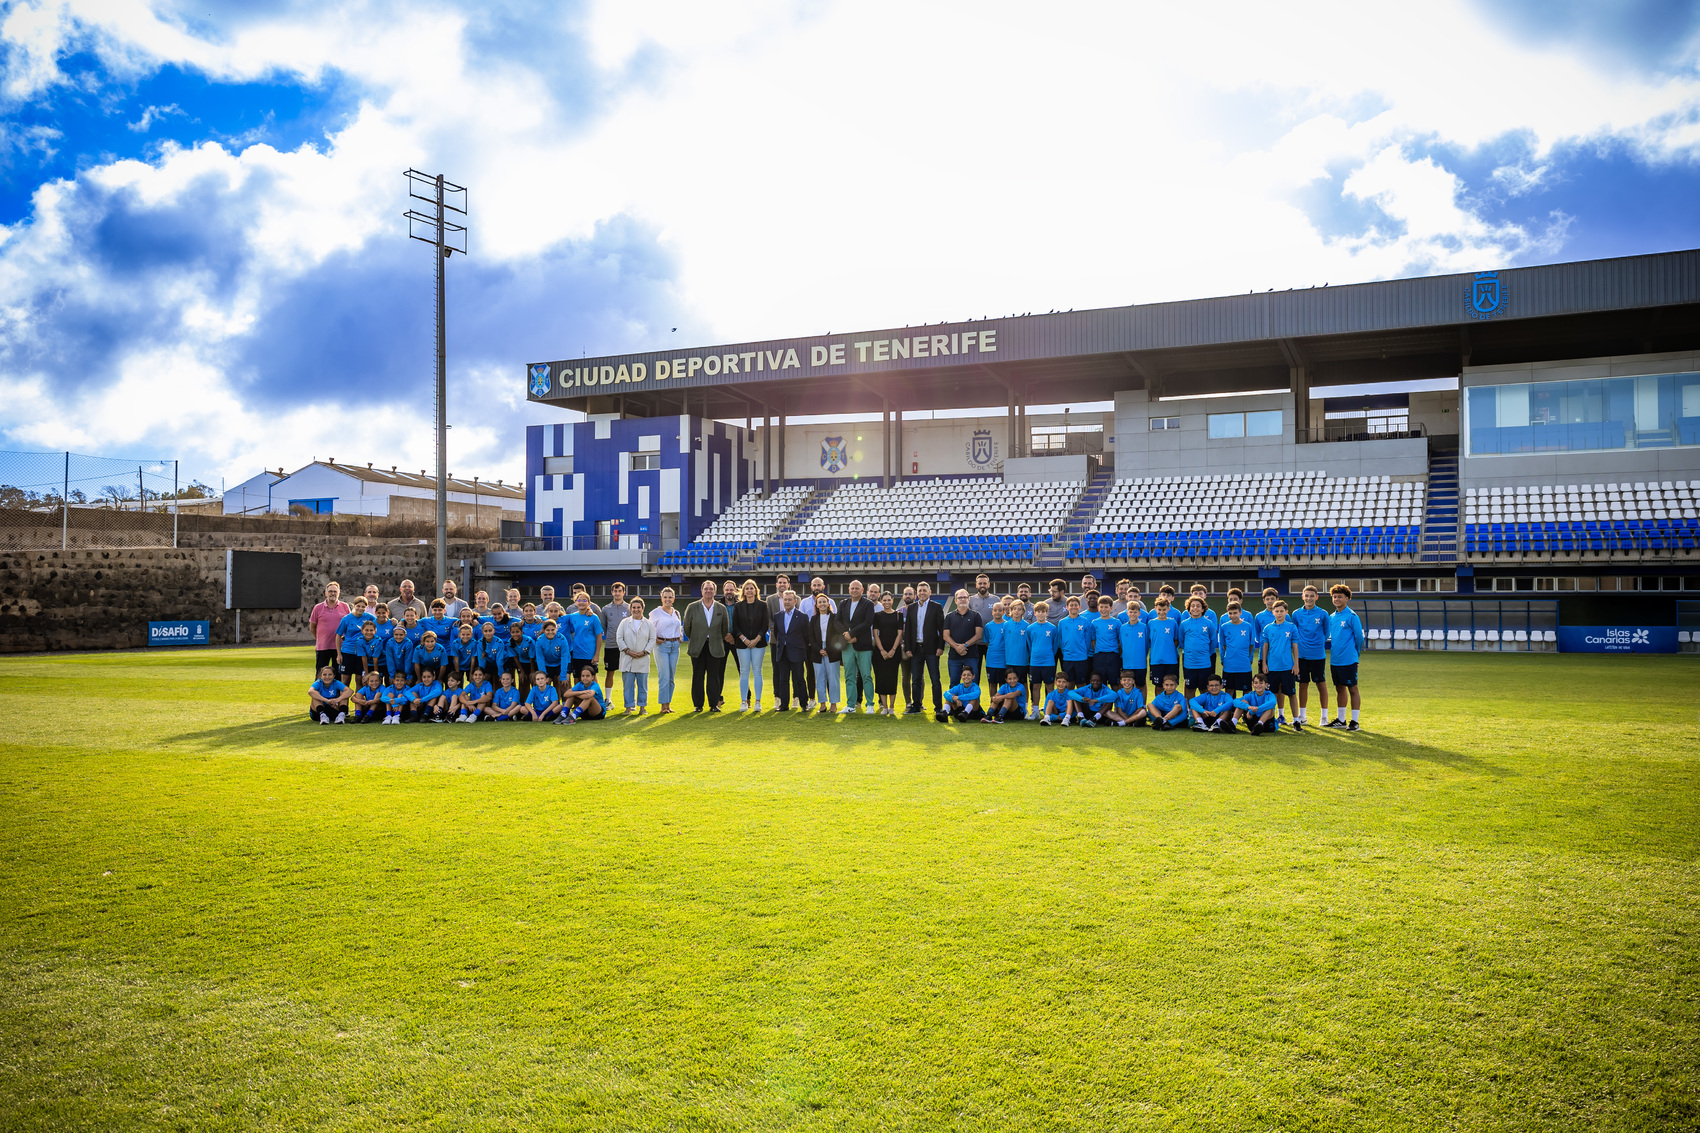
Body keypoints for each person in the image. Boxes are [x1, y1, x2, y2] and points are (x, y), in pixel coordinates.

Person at [682, 580, 730, 712]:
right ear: (701, 591)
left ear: (715, 591)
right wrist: (698, 638)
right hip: (698, 647)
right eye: (706, 589)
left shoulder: (721, 608)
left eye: (711, 589)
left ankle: (714, 705)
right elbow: (687, 627)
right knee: (697, 676)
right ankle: (698, 705)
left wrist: (714, 638)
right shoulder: (692, 607)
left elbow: (724, 628)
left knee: (714, 677)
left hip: (715, 646)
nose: (708, 591)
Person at [1291, 584, 1332, 730]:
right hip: (1301, 655)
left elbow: (1327, 633)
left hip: (1318, 655)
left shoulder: (1323, 614)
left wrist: (1317, 643)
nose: (1309, 598)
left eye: (1311, 596)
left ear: (1316, 597)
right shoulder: (1296, 614)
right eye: (1306, 595)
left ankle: (1324, 716)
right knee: (1302, 685)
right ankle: (1302, 717)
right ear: (1302, 597)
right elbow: (1294, 633)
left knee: (1321, 684)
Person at [1326, 584, 1367, 730]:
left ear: (1347, 598)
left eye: (1340, 597)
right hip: (1335, 659)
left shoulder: (1351, 616)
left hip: (1349, 659)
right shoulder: (1331, 617)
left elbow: (1359, 638)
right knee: (1339, 689)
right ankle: (1341, 720)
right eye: (1334, 597)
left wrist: (1355, 654)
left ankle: (1354, 722)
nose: (1336, 599)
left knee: (1353, 689)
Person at [903, 582, 945, 714]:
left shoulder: (936, 607)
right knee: (916, 679)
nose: (922, 593)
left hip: (932, 649)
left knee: (935, 679)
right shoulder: (912, 608)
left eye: (924, 590)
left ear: (929, 592)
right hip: (916, 649)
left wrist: (940, 647)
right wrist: (908, 648)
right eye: (920, 590)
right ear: (917, 593)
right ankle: (916, 705)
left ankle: (938, 707)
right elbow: (908, 630)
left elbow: (941, 629)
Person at [1260, 600, 1302, 731]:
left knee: (1291, 694)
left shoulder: (1291, 627)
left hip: (1287, 668)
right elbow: (1265, 647)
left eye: (1281, 611)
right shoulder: (1268, 628)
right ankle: (1271, 720)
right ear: (1273, 612)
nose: (1279, 613)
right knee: (1271, 695)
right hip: (1272, 668)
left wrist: (1296, 664)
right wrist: (1264, 663)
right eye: (1276, 611)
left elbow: (1295, 647)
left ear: (1286, 612)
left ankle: (1296, 721)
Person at [805, 592, 848, 715]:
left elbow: (839, 636)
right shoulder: (813, 619)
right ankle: (822, 704)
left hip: (832, 651)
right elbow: (811, 636)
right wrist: (819, 649)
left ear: (828, 603)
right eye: (820, 602)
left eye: (825, 601)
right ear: (817, 605)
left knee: (833, 678)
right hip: (817, 652)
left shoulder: (834, 617)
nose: (822, 604)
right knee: (820, 678)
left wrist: (828, 649)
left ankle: (833, 704)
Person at [731, 580, 771, 712]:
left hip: (758, 643)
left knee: (757, 671)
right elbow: (735, 625)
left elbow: (765, 624)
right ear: (743, 591)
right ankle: (744, 701)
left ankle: (758, 702)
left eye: (751, 588)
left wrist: (756, 639)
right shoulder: (738, 606)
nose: (749, 590)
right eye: (747, 588)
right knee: (744, 671)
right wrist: (743, 639)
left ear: (755, 590)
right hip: (742, 644)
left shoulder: (762, 605)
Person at [839, 580, 877, 714]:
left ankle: (870, 705)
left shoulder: (868, 604)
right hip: (847, 646)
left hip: (863, 646)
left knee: (866, 676)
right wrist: (846, 634)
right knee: (849, 676)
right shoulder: (843, 604)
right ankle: (850, 705)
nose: (854, 590)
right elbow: (837, 621)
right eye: (852, 588)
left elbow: (867, 623)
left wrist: (852, 634)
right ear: (849, 590)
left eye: (857, 588)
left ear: (862, 590)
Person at [617, 595, 656, 715]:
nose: (636, 609)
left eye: (638, 607)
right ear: (630, 608)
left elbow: (652, 639)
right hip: (627, 658)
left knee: (642, 686)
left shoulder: (648, 624)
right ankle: (628, 707)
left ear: (643, 608)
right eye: (634, 607)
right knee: (628, 686)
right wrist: (628, 651)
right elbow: (619, 638)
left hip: (642, 659)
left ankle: (642, 707)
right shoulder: (624, 622)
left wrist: (644, 652)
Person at [869, 591, 906, 716]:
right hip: (880, 652)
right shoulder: (877, 615)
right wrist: (882, 650)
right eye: (884, 600)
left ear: (892, 600)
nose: (887, 602)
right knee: (881, 679)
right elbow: (875, 634)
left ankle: (891, 707)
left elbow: (899, 634)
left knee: (892, 678)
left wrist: (893, 650)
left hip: (894, 652)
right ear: (881, 601)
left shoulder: (898, 615)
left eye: (889, 600)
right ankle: (884, 707)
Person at [943, 589, 985, 687]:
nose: (962, 599)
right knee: (954, 683)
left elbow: (979, 634)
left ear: (969, 599)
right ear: (955, 600)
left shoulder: (976, 615)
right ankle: (954, 702)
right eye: (960, 598)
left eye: (965, 597)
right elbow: (945, 635)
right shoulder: (949, 616)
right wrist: (957, 647)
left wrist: (964, 645)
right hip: (954, 656)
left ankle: (973, 703)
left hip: (971, 655)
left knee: (973, 683)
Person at [651, 587, 683, 714]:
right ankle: (663, 706)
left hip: (675, 646)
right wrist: (655, 639)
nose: (667, 599)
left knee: (671, 678)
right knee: (664, 676)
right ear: (661, 598)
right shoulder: (655, 613)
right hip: (662, 646)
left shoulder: (676, 613)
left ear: (674, 598)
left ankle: (668, 705)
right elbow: (649, 629)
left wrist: (679, 636)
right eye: (665, 597)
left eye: (670, 597)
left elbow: (679, 626)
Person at [1026, 600, 1059, 720]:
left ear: (1047, 613)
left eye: (1043, 612)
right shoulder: (1030, 629)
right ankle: (1035, 711)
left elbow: (1055, 645)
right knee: (1035, 686)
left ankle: (1048, 710)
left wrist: (1049, 655)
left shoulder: (1052, 628)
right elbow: (1029, 644)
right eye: (1038, 612)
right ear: (1035, 613)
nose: (1041, 614)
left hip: (1048, 662)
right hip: (1034, 662)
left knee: (1050, 686)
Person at [1218, 602, 1260, 697]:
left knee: (1247, 690)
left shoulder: (1247, 626)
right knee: (1229, 690)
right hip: (1229, 664)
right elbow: (1223, 644)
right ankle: (1230, 712)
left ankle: (1246, 711)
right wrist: (1223, 658)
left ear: (1240, 612)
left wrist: (1247, 657)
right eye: (1230, 613)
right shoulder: (1224, 627)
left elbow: (1251, 644)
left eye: (1235, 613)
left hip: (1244, 664)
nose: (1233, 615)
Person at [1179, 596, 1218, 697]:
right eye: (1192, 606)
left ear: (1203, 609)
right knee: (1189, 689)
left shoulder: (1208, 623)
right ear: (1189, 609)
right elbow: (1182, 641)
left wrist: (1205, 653)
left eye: (1198, 606)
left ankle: (1204, 711)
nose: (1195, 608)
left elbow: (1213, 642)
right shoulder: (1184, 624)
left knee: (1204, 689)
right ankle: (1190, 711)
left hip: (1204, 663)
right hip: (1189, 663)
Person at [309, 582, 351, 676]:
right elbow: (312, 627)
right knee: (320, 674)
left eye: (335, 591)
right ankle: (318, 691)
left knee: (338, 674)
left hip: (340, 647)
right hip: (323, 646)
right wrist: (320, 638)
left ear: (339, 593)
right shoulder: (318, 608)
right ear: (326, 593)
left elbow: (349, 625)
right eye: (330, 591)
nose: (333, 593)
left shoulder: (345, 607)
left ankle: (336, 691)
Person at [565, 593, 605, 686]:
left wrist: (597, 655)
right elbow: (558, 618)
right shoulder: (572, 616)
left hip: (589, 654)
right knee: (577, 677)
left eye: (584, 600)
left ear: (589, 603)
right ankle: (579, 700)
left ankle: (596, 697)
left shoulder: (594, 617)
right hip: (576, 653)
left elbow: (599, 636)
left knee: (592, 677)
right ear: (575, 602)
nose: (581, 602)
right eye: (579, 600)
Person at [1116, 605, 1150, 706]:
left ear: (1139, 614)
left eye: (1135, 612)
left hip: (1140, 663)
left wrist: (1142, 656)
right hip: (1126, 663)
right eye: (1131, 612)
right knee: (1125, 686)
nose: (1133, 614)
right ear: (1127, 613)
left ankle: (1142, 706)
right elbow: (1121, 644)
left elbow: (1147, 644)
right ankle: (1125, 707)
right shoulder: (1122, 628)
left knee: (1141, 685)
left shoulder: (1144, 627)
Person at [1146, 598, 1180, 694]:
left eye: (1164, 609)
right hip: (1156, 660)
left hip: (1171, 660)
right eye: (1159, 609)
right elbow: (1149, 640)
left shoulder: (1173, 623)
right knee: (1159, 686)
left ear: (1168, 609)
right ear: (1155, 609)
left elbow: (1176, 640)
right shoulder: (1151, 623)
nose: (1161, 612)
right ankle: (1159, 707)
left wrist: (1169, 651)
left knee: (1172, 685)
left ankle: (1171, 706)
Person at [1057, 596, 1091, 689]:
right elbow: (1060, 639)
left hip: (1081, 658)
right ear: (1067, 607)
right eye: (1071, 605)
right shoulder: (1062, 622)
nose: (1073, 607)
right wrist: (1065, 652)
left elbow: (1087, 641)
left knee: (1081, 684)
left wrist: (1083, 652)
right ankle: (1070, 703)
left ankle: (1081, 703)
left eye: (1076, 605)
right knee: (1069, 684)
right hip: (1068, 658)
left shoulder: (1085, 621)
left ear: (1079, 607)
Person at [599, 582, 632, 678]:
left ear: (624, 592)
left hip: (627, 645)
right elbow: (604, 626)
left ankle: (630, 693)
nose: (617, 593)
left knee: (628, 672)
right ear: (612, 592)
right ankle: (608, 694)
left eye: (619, 591)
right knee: (610, 672)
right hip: (611, 645)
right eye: (615, 591)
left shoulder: (629, 608)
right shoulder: (605, 609)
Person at [1001, 599, 1030, 704]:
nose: (1017, 611)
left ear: (1023, 611)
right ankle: (1010, 705)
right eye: (1014, 609)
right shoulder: (1006, 625)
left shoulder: (1027, 626)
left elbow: (1029, 644)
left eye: (1019, 609)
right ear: (1011, 610)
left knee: (1023, 684)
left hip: (1022, 661)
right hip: (1009, 660)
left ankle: (1025, 706)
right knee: (1009, 684)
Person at [531, 619, 568, 698]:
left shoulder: (562, 639)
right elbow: (540, 659)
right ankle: (548, 705)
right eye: (548, 630)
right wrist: (544, 676)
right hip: (547, 664)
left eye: (552, 630)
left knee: (563, 683)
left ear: (556, 629)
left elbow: (564, 657)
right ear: (544, 630)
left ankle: (565, 707)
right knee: (544, 683)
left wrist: (563, 675)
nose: (550, 632)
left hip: (559, 663)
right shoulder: (540, 640)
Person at [1089, 594, 1121, 685]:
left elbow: (1119, 641)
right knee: (1101, 683)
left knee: (1115, 683)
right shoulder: (1094, 623)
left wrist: (1115, 651)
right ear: (1098, 607)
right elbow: (1093, 640)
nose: (1103, 609)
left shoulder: (1117, 622)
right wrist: (1099, 650)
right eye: (1101, 607)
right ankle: (1102, 700)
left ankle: (1115, 699)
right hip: (1099, 656)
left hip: (1113, 656)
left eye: (1106, 607)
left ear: (1111, 608)